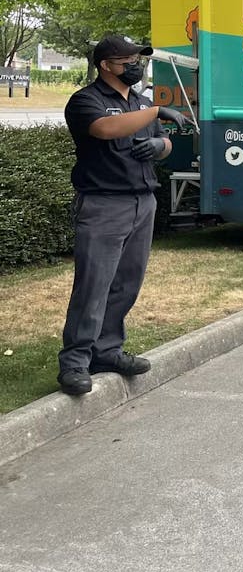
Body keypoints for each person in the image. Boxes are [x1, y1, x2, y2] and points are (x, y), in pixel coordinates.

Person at [58, 35, 192, 396]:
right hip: (103, 204)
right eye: (128, 61)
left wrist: (159, 145)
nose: (136, 66)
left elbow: (164, 141)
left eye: (139, 60)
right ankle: (74, 362)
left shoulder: (139, 101)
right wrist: (155, 112)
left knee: (126, 284)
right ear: (106, 65)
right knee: (94, 285)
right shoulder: (87, 101)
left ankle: (107, 350)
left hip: (141, 202)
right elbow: (104, 129)